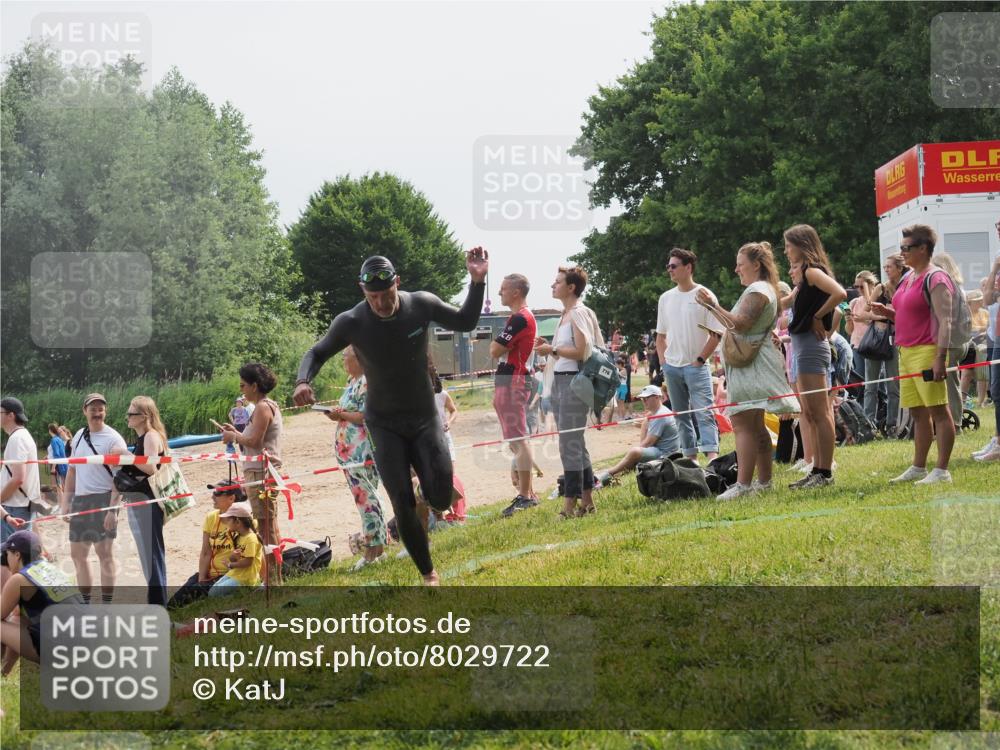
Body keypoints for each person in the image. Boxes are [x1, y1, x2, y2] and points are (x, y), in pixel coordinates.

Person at [292, 250, 488, 585]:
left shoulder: (421, 305)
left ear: (398, 283)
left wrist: (477, 281)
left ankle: (434, 498)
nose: (381, 303)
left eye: (387, 294)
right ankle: (429, 574)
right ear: (362, 291)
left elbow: (466, 322)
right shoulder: (352, 322)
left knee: (440, 496)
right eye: (373, 297)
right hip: (383, 424)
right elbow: (317, 351)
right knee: (401, 502)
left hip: (424, 418)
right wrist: (302, 380)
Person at [698, 242, 800, 499]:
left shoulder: (758, 289)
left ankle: (743, 485)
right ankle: (763, 483)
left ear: (756, 265)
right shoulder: (765, 289)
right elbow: (740, 326)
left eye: (740, 264)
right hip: (752, 363)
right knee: (755, 425)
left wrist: (712, 305)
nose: (736, 270)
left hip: (751, 366)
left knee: (743, 422)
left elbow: (741, 324)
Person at [870, 224, 956, 484]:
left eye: (907, 248)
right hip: (905, 351)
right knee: (918, 413)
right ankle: (918, 467)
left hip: (928, 350)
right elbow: (908, 315)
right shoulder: (908, 277)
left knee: (939, 411)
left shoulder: (936, 278)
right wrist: (889, 314)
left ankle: (941, 470)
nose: (902, 252)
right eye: (901, 248)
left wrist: (939, 358)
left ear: (923, 248)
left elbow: (946, 321)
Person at [533, 265, 604, 519]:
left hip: (574, 382)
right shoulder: (566, 314)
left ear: (571, 287)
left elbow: (582, 351)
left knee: (568, 445)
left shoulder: (577, 313)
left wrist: (552, 349)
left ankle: (569, 505)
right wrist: (550, 350)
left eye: (558, 281)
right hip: (565, 381)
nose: (553, 285)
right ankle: (587, 501)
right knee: (575, 443)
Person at [782, 224, 847, 489]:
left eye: (788, 245)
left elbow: (840, 294)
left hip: (811, 346)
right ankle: (816, 469)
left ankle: (824, 471)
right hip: (801, 346)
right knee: (808, 411)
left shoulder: (811, 271)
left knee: (819, 412)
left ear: (801, 244)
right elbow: (786, 301)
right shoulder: (802, 278)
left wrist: (818, 316)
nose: (786, 251)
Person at [655, 248, 724, 464]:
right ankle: (690, 458)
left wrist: (700, 361)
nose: (670, 270)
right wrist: (664, 363)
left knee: (704, 412)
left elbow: (716, 334)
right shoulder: (665, 298)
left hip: (696, 366)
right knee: (680, 416)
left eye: (673, 266)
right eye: (668, 266)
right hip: (672, 367)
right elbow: (660, 336)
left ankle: (712, 457)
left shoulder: (705, 294)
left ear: (688, 267)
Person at [220, 362, 283, 583]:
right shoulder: (264, 407)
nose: (242, 390)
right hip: (260, 472)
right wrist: (236, 433)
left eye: (243, 385)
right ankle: (273, 579)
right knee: (269, 525)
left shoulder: (263, 407)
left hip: (261, 474)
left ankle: (273, 580)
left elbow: (255, 441)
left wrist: (234, 437)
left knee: (266, 528)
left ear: (254, 386)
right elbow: (255, 439)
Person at [61, 393, 128, 605]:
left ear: (105, 411)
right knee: (78, 555)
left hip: (104, 499)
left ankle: (106, 604)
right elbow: (72, 471)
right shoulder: (79, 435)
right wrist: (66, 503)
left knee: (104, 554)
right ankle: (86, 603)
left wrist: (112, 510)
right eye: (93, 408)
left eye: (101, 409)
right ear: (85, 410)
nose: (97, 413)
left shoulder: (114, 439)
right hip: (80, 500)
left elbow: (121, 478)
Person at [328, 346, 388, 571]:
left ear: (359, 359)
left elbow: (365, 415)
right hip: (349, 453)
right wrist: (338, 414)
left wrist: (340, 414)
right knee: (364, 500)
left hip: (361, 452)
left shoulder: (366, 381)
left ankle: (374, 550)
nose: (343, 360)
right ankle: (375, 547)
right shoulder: (351, 381)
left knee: (367, 500)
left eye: (346, 356)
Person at [490, 273, 539, 517]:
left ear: (516, 292)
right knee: (515, 439)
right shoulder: (518, 317)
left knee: (519, 438)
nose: (500, 293)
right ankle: (527, 493)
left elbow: (495, 349)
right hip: (509, 380)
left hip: (513, 380)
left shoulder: (520, 318)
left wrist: (497, 346)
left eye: (503, 289)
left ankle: (526, 495)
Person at [0, 531, 82, 670]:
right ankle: (4, 673)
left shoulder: (19, 579)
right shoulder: (51, 569)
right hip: (86, 644)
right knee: (17, 619)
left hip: (62, 651)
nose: (5, 559)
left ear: (17, 555)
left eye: (6, 554)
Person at [120, 396, 168, 606]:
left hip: (147, 501)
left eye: (131, 413)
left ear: (144, 416)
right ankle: (155, 602)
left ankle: (158, 605)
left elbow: (150, 467)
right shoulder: (145, 437)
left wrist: (125, 456)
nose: (127, 417)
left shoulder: (150, 437)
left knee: (152, 555)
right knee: (148, 555)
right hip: (140, 501)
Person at [167, 479, 244, 608]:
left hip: (228, 575)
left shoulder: (242, 520)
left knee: (189, 598)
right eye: (214, 492)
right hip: (210, 573)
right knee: (175, 601)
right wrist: (202, 578)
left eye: (218, 493)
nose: (213, 496)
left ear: (231, 498)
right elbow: (206, 552)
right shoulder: (211, 517)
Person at [597, 384, 680, 488]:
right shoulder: (656, 413)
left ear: (657, 397)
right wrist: (645, 422)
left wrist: (643, 426)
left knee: (634, 452)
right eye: (642, 399)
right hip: (663, 450)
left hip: (666, 455)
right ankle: (612, 476)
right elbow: (646, 444)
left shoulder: (660, 415)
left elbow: (648, 443)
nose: (644, 401)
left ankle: (607, 474)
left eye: (646, 398)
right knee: (634, 455)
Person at [931, 251, 970, 429]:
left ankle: (955, 423)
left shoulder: (945, 286)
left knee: (950, 384)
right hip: (962, 341)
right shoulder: (959, 286)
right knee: (951, 382)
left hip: (951, 342)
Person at [973, 247, 1000, 462]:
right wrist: (995, 267)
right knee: (997, 391)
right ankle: (998, 439)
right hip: (996, 338)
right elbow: (988, 299)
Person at [1, 398, 40, 542]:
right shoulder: (22, 435)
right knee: (20, 553)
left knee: (9, 556)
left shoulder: (17, 438)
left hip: (14, 506)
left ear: (11, 415)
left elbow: (18, 478)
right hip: (20, 504)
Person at [208, 503, 263, 597]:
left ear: (237, 522)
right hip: (236, 574)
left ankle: (243, 595)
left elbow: (248, 562)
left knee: (213, 594)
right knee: (212, 591)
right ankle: (242, 593)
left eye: (228, 520)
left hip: (245, 578)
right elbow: (237, 558)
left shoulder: (251, 538)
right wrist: (233, 557)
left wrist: (230, 565)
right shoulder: (239, 537)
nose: (227, 524)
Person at [431, 364, 458, 460]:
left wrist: (449, 422)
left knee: (450, 471)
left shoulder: (442, 394)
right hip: (425, 438)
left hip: (443, 435)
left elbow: (453, 411)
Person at [46, 423, 68, 493]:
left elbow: (57, 454)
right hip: (62, 464)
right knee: (62, 485)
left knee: (58, 486)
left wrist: (53, 468)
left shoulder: (54, 440)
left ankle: (62, 502)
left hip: (57, 465)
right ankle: (64, 501)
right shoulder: (59, 439)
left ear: (50, 430)